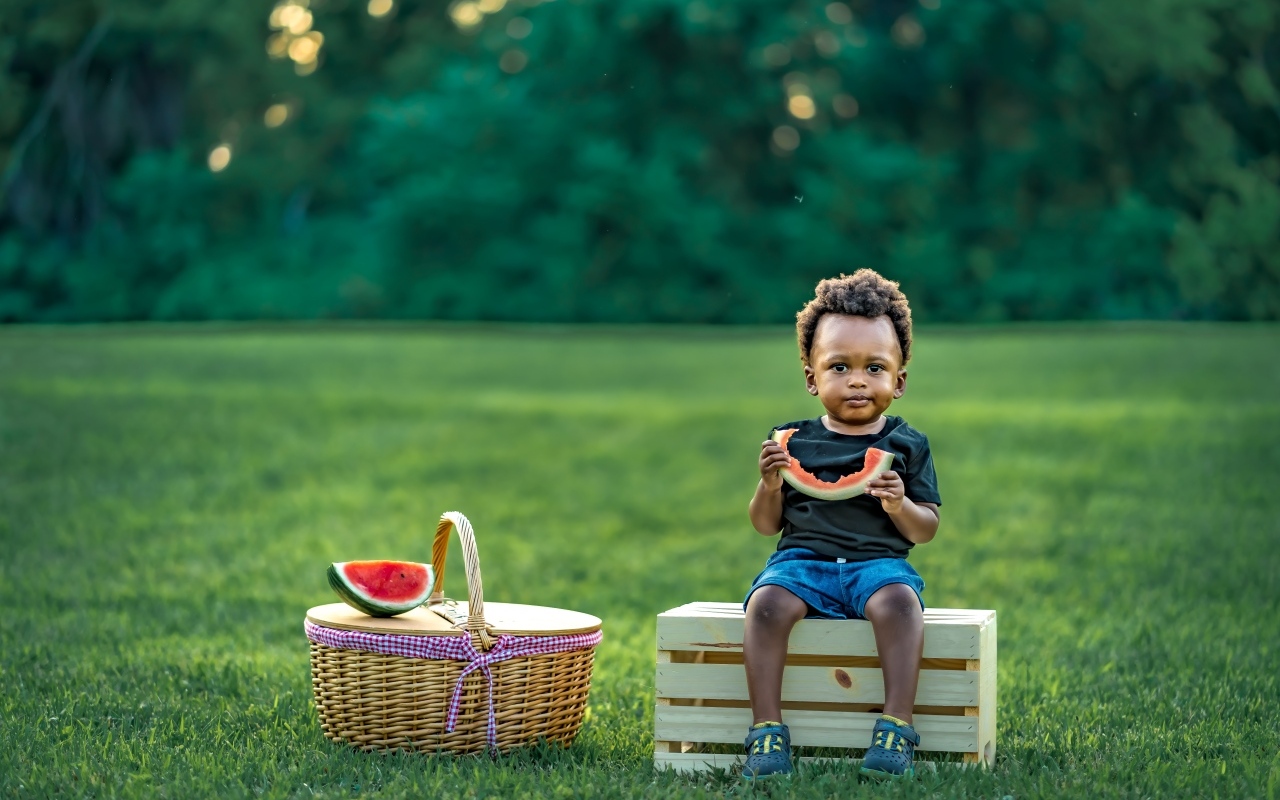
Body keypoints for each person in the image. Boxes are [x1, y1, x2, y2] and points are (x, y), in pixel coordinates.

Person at [741, 269, 941, 780]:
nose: (857, 380)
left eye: (874, 367)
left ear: (899, 381)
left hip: (877, 565)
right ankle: (766, 731)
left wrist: (900, 505)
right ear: (812, 378)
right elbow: (766, 526)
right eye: (839, 367)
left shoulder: (907, 445)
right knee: (764, 606)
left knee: (900, 604)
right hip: (801, 563)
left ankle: (896, 725)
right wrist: (769, 486)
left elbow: (926, 529)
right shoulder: (790, 442)